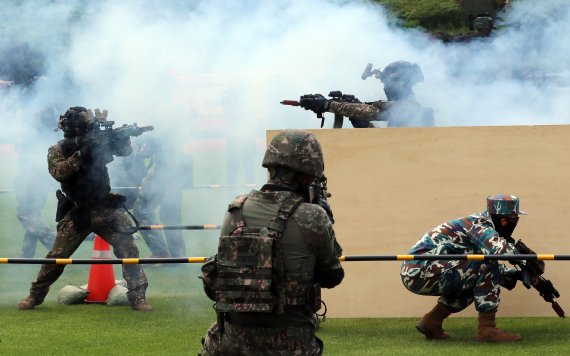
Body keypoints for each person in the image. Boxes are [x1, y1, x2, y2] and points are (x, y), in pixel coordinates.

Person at [199, 129, 344, 355]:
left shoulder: (235, 211)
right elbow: (333, 276)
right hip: (292, 343)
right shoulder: (313, 216)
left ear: (271, 166)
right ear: (308, 175)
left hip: (235, 342)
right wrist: (325, 219)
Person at [17, 107, 152, 311]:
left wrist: (122, 138)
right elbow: (59, 172)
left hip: (104, 207)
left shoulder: (98, 141)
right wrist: (81, 154)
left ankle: (138, 298)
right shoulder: (58, 149)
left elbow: (125, 152)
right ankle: (35, 296)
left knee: (129, 250)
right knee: (57, 257)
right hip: (78, 211)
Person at [400, 194, 527, 343]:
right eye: (514, 219)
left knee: (474, 280)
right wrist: (527, 261)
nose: (515, 222)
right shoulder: (479, 225)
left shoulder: (482, 226)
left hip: (421, 271)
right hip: (420, 270)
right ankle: (487, 329)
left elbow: (472, 265)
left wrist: (516, 274)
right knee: (487, 264)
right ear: (504, 220)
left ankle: (431, 322)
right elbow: (501, 252)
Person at [300, 61, 434, 128]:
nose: (386, 88)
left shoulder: (407, 107)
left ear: (402, 83)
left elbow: (371, 111)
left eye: (387, 84)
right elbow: (387, 142)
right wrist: (363, 124)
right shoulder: (406, 107)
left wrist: (327, 104)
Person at [131, 135, 189, 258]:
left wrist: (139, 143)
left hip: (165, 174)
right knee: (170, 215)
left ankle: (160, 252)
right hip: (175, 173)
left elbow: (147, 149)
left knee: (141, 210)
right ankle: (177, 255)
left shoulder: (159, 123)